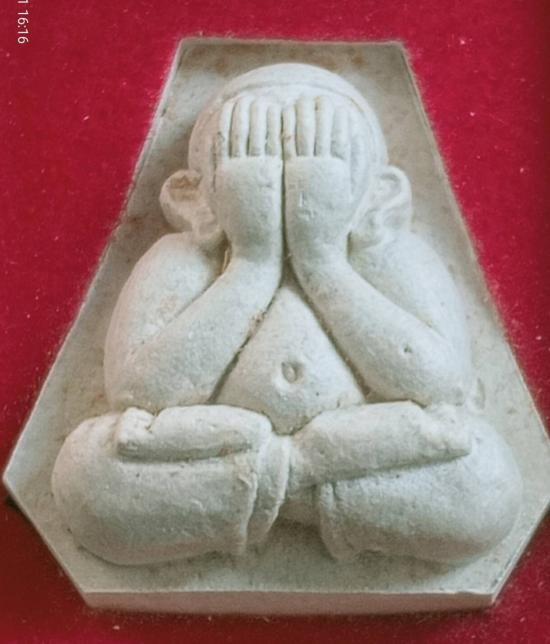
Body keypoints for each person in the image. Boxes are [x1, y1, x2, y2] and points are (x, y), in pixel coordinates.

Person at [52, 64, 521, 566]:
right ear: (194, 197)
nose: (282, 177)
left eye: (322, 150)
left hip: (331, 460)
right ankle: (297, 483)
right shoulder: (182, 257)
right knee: (87, 474)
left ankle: (276, 489)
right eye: (248, 151)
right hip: (283, 463)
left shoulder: (391, 254)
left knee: (485, 481)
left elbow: (440, 385)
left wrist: (322, 259)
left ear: (378, 195)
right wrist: (252, 262)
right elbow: (139, 392)